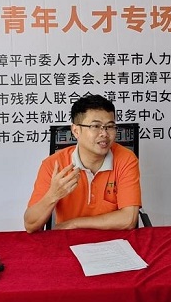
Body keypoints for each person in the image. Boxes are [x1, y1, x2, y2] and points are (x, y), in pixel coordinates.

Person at [24, 95, 141, 233]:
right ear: (76, 131)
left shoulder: (126, 159)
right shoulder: (54, 165)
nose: (104, 133)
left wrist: (74, 224)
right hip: (69, 241)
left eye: (110, 126)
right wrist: (53, 195)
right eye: (95, 126)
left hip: (114, 240)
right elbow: (30, 225)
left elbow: (128, 219)